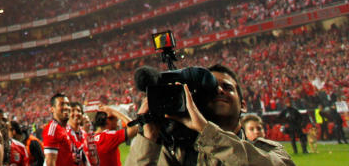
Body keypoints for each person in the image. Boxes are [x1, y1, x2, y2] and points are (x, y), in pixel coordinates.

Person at [124, 64, 294, 166]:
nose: (219, 90)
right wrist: (149, 138)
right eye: (212, 89)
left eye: (227, 87)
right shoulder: (179, 155)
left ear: (243, 105)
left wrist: (206, 130)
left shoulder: (268, 150)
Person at [44, 94, 77, 166]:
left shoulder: (68, 128)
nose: (66, 107)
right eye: (61, 104)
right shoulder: (52, 130)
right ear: (52, 109)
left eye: (68, 104)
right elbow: (50, 163)